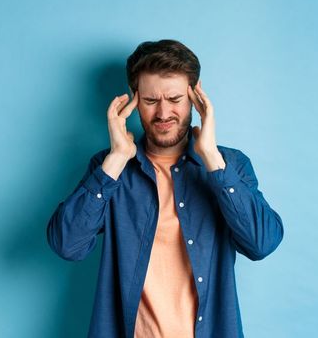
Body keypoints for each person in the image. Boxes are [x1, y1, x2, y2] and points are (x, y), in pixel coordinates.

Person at [47, 39, 284, 338]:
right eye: (150, 101)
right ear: (134, 101)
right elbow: (66, 244)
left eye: (174, 99)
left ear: (194, 100)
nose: (163, 113)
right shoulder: (110, 168)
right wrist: (117, 157)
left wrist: (211, 157)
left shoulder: (230, 165)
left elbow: (262, 243)